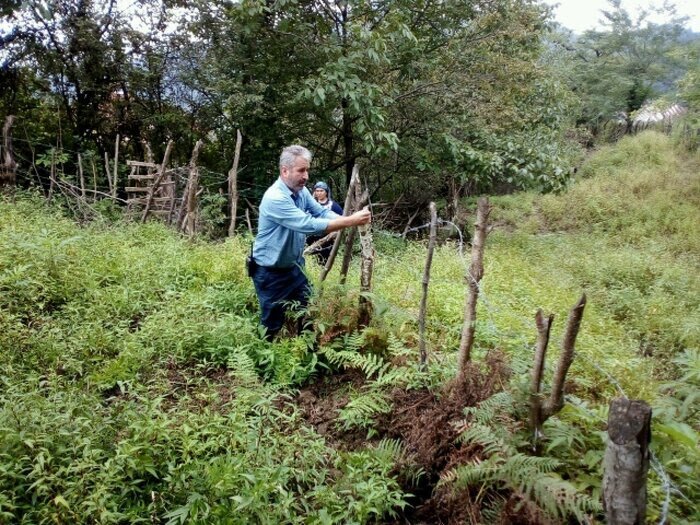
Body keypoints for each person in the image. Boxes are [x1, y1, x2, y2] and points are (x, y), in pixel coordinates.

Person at [250, 145, 371, 340]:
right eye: (301, 170)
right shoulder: (275, 198)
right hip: (270, 272)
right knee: (271, 323)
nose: (306, 176)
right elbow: (308, 224)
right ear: (284, 171)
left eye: (307, 170)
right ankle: (262, 364)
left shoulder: (302, 192)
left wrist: (348, 218)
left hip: (295, 268)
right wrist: (351, 221)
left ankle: (307, 353)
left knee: (308, 311)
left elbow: (321, 212)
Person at [306, 181, 343, 264]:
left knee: (326, 261)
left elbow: (341, 220)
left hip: (328, 238)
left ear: (326, 192)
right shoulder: (311, 205)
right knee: (312, 261)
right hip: (312, 237)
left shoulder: (334, 206)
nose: (319, 193)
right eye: (317, 191)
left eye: (321, 191)